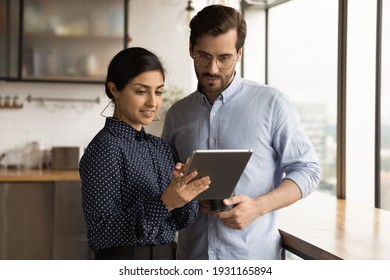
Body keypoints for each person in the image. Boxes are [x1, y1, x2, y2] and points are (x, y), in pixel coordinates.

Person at [161, 5, 321, 260]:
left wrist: (258, 207)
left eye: (224, 58)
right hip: (192, 256)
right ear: (191, 50)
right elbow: (164, 181)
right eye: (203, 56)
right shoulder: (177, 114)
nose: (212, 68)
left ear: (239, 53)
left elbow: (308, 170)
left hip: (253, 258)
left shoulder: (272, 103)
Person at [79, 47, 211, 260]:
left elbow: (182, 221)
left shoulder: (161, 148)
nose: (153, 102)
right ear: (114, 89)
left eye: (158, 91)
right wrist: (164, 203)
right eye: (141, 91)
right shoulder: (105, 147)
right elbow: (101, 233)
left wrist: (184, 195)